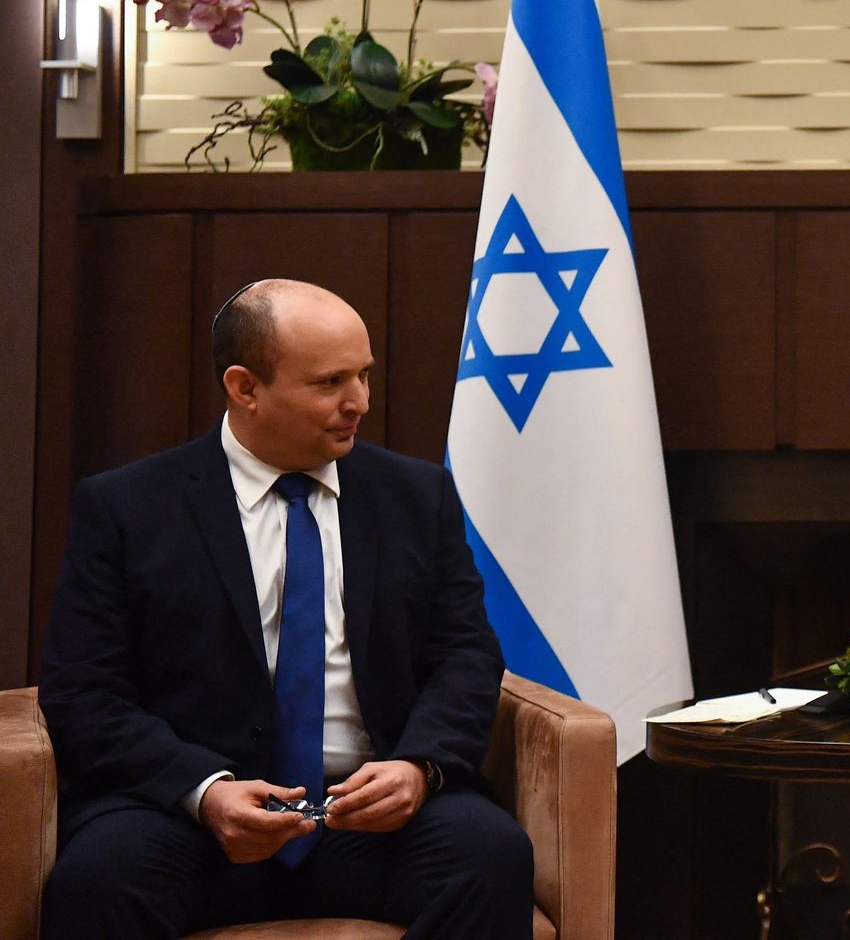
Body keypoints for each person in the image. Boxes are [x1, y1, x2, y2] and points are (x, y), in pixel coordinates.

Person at [38, 279, 532, 939]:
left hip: (371, 815)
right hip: (188, 816)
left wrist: (418, 767)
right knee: (98, 878)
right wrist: (204, 791)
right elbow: (84, 691)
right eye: (330, 383)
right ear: (245, 388)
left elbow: (466, 656)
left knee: (491, 855)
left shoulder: (419, 496)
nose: (359, 402)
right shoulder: (127, 508)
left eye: (364, 375)